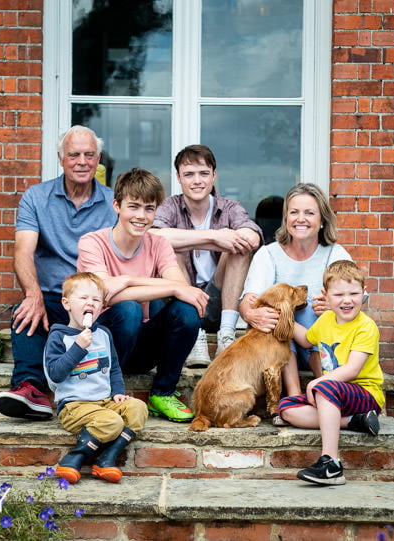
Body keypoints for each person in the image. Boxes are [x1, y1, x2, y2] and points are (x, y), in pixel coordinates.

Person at [0, 125, 118, 420]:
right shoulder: (36, 197)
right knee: (25, 311)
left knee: (125, 314)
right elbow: (22, 251)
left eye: (89, 155)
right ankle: (30, 390)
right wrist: (32, 294)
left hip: (95, 301)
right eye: (74, 154)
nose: (82, 161)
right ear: (61, 158)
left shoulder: (113, 203)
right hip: (52, 297)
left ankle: (113, 383)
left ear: (98, 158)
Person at [77, 168, 208, 422]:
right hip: (99, 344)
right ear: (116, 205)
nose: (141, 216)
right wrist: (168, 286)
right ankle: (103, 393)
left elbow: (181, 288)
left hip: (139, 344)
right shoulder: (92, 242)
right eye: (133, 207)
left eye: (149, 208)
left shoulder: (158, 243)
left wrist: (126, 280)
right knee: (128, 309)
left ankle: (163, 393)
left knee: (186, 310)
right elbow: (105, 294)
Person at [239, 183, 353, 409]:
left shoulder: (334, 253)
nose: (301, 219)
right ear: (286, 218)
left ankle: (329, 386)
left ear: (322, 220)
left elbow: (356, 301)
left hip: (319, 345)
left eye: (309, 213)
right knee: (280, 314)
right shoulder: (268, 254)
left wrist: (335, 307)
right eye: (294, 212)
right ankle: (293, 395)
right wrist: (253, 314)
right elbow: (247, 303)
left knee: (320, 315)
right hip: (279, 347)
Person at [152, 145, 262, 367]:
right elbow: (153, 235)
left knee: (239, 248)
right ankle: (195, 336)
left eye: (203, 173)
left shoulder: (229, 207)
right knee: (173, 248)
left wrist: (232, 238)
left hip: (221, 302)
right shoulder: (170, 206)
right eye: (189, 174)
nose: (197, 181)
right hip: (182, 304)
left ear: (214, 175)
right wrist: (214, 237)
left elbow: (253, 237)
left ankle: (227, 336)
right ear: (179, 178)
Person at [276, 260, 383, 486]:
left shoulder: (366, 326)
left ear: (364, 292)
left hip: (365, 394)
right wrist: (284, 317)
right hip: (334, 396)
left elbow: (352, 370)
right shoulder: (325, 319)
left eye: (354, 293)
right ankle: (354, 422)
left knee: (323, 388)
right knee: (286, 408)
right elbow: (306, 340)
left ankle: (331, 464)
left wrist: (315, 383)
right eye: (338, 295)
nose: (346, 300)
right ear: (326, 296)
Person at [44, 272, 148, 484]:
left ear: (102, 307)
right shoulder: (59, 337)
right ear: (67, 304)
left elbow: (114, 368)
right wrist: (78, 348)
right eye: (83, 298)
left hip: (104, 402)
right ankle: (75, 456)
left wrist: (118, 392)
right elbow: (55, 374)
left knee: (138, 409)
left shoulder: (104, 334)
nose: (90, 302)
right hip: (74, 406)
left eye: (96, 299)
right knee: (111, 421)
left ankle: (106, 458)